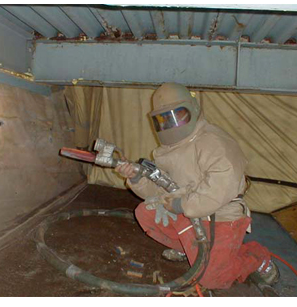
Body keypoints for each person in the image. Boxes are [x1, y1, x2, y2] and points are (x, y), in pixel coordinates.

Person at [115, 82, 279, 290]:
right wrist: (137, 179)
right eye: (164, 119)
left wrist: (181, 205)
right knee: (145, 213)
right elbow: (159, 191)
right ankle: (190, 248)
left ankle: (256, 258)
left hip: (222, 216)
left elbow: (216, 192)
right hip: (190, 210)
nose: (171, 124)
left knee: (210, 279)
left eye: (177, 115)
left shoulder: (214, 143)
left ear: (192, 109)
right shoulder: (168, 150)